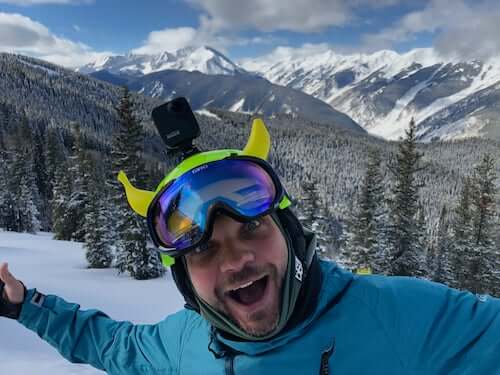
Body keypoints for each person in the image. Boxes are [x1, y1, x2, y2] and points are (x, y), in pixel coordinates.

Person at [1, 118, 499, 375]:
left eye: (252, 229)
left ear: (289, 231)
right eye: (204, 251)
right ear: (183, 277)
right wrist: (28, 307)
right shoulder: (184, 342)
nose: (237, 260)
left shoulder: (401, 316)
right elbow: (116, 346)